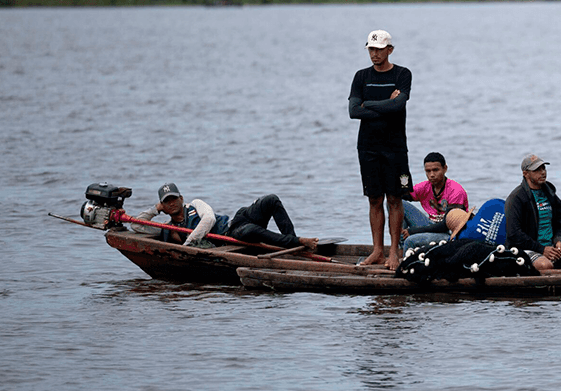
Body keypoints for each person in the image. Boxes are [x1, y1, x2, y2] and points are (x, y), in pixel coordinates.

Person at [349, 29, 412, 269]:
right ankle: (377, 251)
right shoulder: (361, 77)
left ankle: (394, 252)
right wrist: (387, 103)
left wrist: (371, 105)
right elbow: (354, 111)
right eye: (371, 49)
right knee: (374, 198)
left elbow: (399, 106)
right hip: (368, 148)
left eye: (379, 49)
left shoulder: (402, 74)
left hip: (396, 148)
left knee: (396, 198)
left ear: (390, 50)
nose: (374, 54)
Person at [132, 183, 318, 250]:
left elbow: (209, 220)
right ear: (163, 206)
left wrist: (189, 242)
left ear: (181, 198)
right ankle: (299, 242)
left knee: (271, 200)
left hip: (236, 222)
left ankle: (293, 242)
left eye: (174, 199)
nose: (171, 203)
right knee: (253, 231)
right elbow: (137, 226)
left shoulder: (195, 204)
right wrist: (155, 209)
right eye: (166, 202)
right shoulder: (168, 229)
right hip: (233, 237)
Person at [504, 153, 561, 271]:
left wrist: (559, 241)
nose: (543, 172)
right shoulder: (516, 198)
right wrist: (541, 249)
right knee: (545, 265)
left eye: (543, 168)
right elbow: (514, 234)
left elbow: (559, 222)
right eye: (537, 170)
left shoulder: (550, 194)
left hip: (551, 248)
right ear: (525, 174)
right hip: (526, 250)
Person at [401, 152, 470, 253]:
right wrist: (403, 175)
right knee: (397, 203)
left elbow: (445, 226)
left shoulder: (456, 191)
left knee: (410, 240)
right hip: (431, 226)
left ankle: (405, 262)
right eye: (428, 171)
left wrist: (413, 231)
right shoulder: (425, 186)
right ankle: (399, 249)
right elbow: (401, 194)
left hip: (449, 234)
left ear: (445, 169)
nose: (431, 175)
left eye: (436, 170)